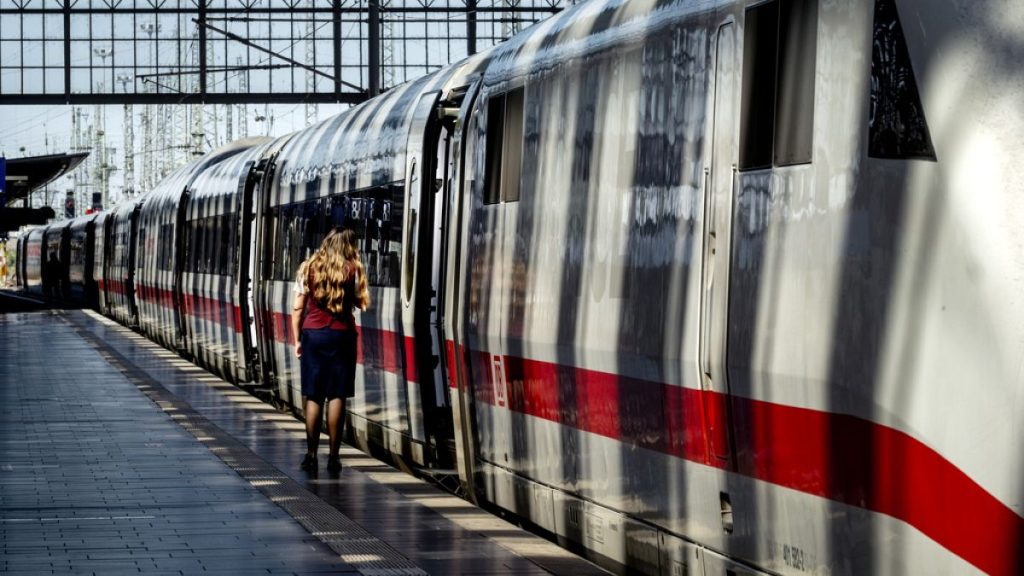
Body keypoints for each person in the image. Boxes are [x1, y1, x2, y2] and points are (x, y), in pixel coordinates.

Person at [290, 227, 370, 473]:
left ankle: (311, 454)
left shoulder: (308, 267)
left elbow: (297, 308)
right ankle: (334, 457)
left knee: (313, 396)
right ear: (348, 245)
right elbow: (363, 302)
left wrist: (298, 340)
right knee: (337, 395)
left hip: (313, 336)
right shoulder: (353, 269)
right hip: (341, 335)